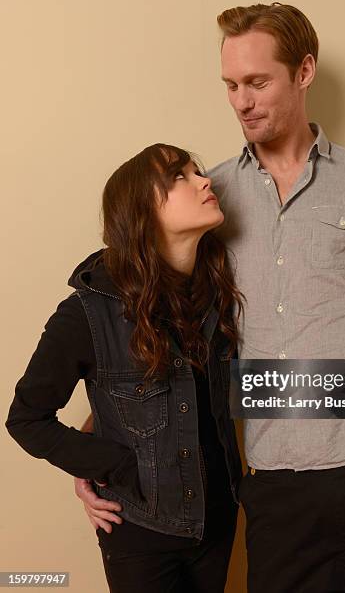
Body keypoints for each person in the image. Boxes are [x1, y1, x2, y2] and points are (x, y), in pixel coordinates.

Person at [77, 3, 345, 593]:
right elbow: (160, 324)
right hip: (283, 481)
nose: (241, 101)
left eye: (258, 82)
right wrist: (97, 441)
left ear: (304, 71)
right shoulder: (210, 194)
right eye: (231, 85)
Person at [5, 143, 244, 593]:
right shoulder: (87, 314)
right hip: (139, 531)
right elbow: (26, 420)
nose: (204, 181)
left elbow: (219, 395)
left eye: (198, 172)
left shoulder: (218, 294)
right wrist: (109, 466)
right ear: (141, 210)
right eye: (180, 177)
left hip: (218, 521)